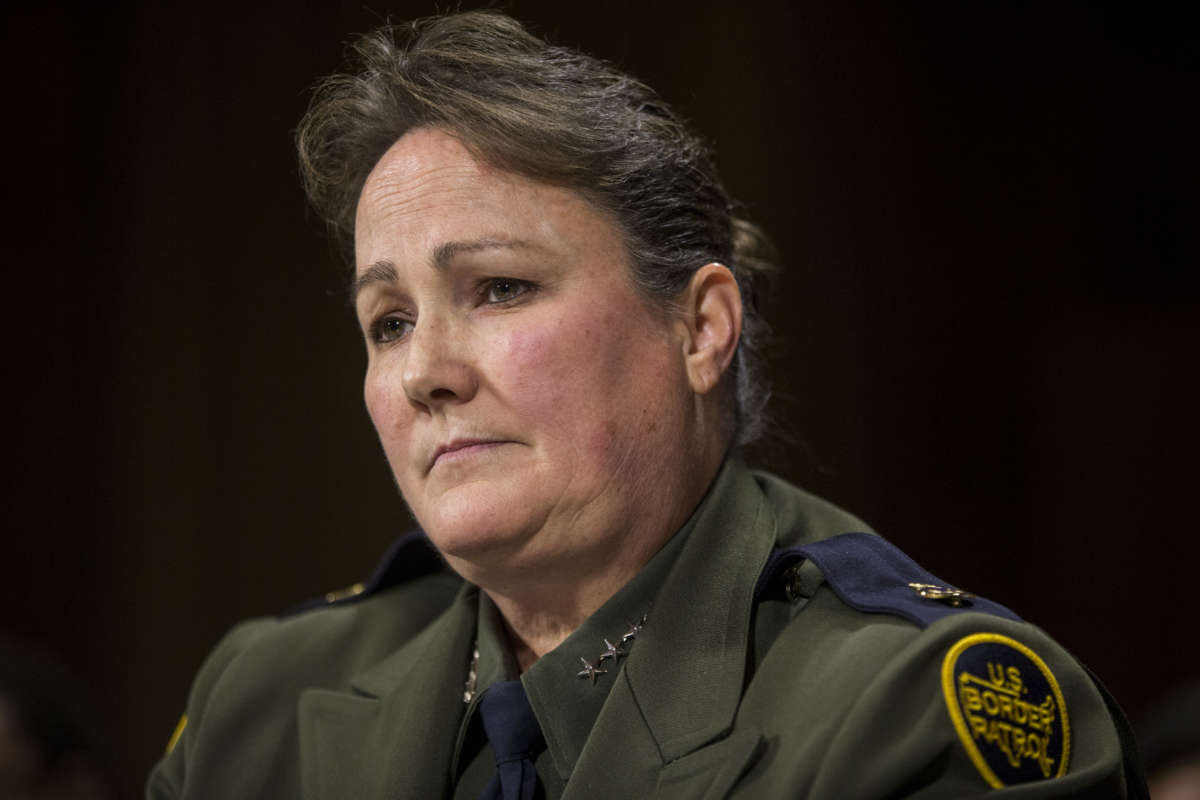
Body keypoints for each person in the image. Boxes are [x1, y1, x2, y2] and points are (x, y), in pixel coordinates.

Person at [146, 11, 1145, 799]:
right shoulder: (260, 701)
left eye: (500, 288)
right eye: (389, 320)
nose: (425, 372)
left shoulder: (912, 715)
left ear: (703, 327)